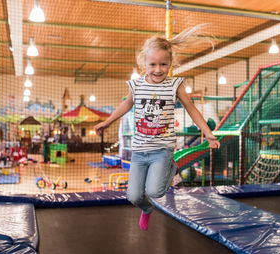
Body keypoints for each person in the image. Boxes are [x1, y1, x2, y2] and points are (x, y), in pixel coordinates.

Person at [94, 24, 220, 231]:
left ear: (171, 63)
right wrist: (107, 121)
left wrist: (208, 133)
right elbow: (126, 103)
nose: (158, 69)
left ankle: (172, 168)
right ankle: (147, 210)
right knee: (134, 196)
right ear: (144, 63)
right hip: (139, 152)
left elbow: (191, 109)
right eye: (153, 64)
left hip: (162, 150)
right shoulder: (136, 85)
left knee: (154, 191)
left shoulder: (175, 85)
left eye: (164, 64)